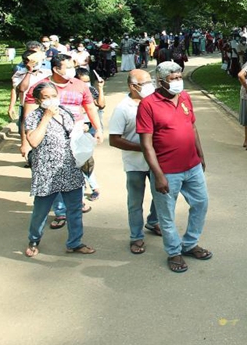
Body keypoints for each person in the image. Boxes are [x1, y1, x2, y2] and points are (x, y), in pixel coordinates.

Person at [137, 62, 211, 273]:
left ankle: (189, 244)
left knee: (201, 204)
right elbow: (146, 143)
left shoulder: (185, 97)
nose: (179, 82)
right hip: (167, 171)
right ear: (160, 82)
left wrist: (201, 154)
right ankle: (174, 252)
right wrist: (158, 175)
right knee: (166, 214)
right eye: (174, 79)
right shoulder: (148, 105)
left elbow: (192, 126)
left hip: (192, 166)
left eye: (180, 77)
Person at [23, 82, 95, 257]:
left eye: (53, 96)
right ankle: (34, 240)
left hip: (70, 169)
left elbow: (76, 133)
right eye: (45, 97)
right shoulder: (34, 117)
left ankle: (75, 242)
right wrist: (46, 117)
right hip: (46, 172)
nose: (50, 100)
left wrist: (84, 129)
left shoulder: (66, 112)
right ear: (38, 100)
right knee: (41, 211)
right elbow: (33, 141)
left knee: (75, 210)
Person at [108, 69, 161, 254]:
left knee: (161, 195)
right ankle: (136, 237)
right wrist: (144, 148)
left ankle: (154, 221)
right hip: (135, 164)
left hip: (158, 162)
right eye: (145, 83)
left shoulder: (157, 102)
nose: (150, 85)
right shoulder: (123, 108)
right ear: (133, 86)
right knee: (135, 202)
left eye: (150, 81)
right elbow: (114, 139)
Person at [75, 68, 104, 201]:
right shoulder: (72, 93)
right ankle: (91, 188)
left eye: (88, 82)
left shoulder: (91, 90)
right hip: (77, 128)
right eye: (83, 82)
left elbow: (100, 105)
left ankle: (93, 187)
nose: (86, 85)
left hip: (89, 127)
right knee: (78, 160)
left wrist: (101, 88)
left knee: (86, 158)